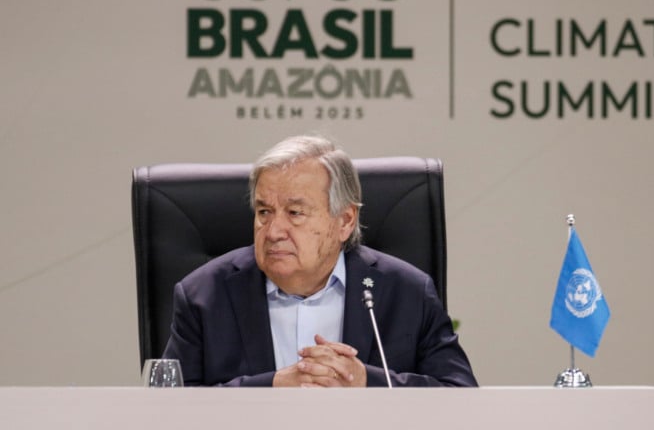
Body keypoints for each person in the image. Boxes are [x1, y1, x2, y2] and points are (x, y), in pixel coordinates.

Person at [163, 135, 477, 387]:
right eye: (264, 212)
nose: (273, 231)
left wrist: (367, 382)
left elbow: (460, 396)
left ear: (345, 220)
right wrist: (270, 387)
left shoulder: (406, 291)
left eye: (295, 213)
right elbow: (167, 408)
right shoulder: (204, 295)